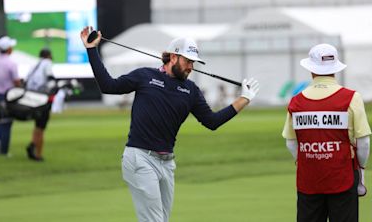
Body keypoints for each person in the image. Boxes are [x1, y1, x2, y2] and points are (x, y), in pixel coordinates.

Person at [80, 26, 260, 222]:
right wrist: (91, 50)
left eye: (193, 63)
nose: (191, 67)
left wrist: (243, 99)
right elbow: (109, 86)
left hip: (166, 163)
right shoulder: (145, 76)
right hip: (140, 158)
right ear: (173, 57)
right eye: (188, 61)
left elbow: (212, 122)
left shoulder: (191, 91)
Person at [282, 43, 371, 222]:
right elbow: (364, 143)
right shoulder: (352, 97)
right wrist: (360, 168)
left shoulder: (296, 102)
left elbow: (291, 143)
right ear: (335, 69)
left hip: (309, 178)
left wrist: (306, 159)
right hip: (343, 176)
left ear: (311, 69)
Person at [0, 36, 21, 155]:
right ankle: (4, 151)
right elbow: (16, 81)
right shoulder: (11, 64)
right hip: (5, 98)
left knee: (1, 121)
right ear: (8, 49)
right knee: (7, 122)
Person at [25, 48, 55, 161]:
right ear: (48, 55)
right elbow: (50, 79)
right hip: (42, 98)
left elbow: (26, 80)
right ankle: (38, 154)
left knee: (37, 125)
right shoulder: (47, 63)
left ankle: (32, 144)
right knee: (41, 127)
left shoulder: (34, 65)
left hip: (31, 98)